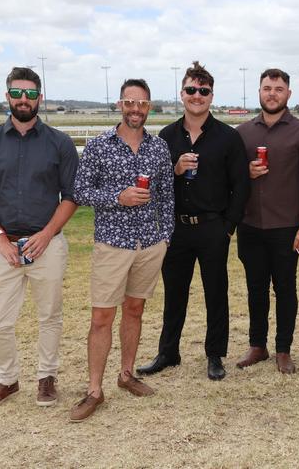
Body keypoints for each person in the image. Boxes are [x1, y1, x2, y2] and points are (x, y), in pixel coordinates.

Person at [0, 67, 78, 410]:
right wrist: (0, 239)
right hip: (2, 247)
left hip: (47, 244)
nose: (24, 100)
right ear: (8, 97)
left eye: (31, 94)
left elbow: (71, 196)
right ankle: (7, 380)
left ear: (39, 99)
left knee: (50, 315)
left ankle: (47, 377)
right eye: (17, 93)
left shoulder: (59, 143)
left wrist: (47, 235)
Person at [136, 62, 249, 381]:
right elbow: (152, 185)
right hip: (176, 228)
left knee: (216, 292)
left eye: (203, 91)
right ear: (181, 94)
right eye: (191, 90)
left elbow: (241, 186)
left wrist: (228, 227)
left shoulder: (228, 137)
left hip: (214, 226)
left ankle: (215, 355)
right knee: (174, 293)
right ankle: (168, 353)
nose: (196, 96)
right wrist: (174, 169)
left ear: (211, 96)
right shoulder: (166, 137)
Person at [70, 78, 174, 422]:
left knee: (134, 310)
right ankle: (94, 390)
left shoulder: (158, 148)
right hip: (112, 244)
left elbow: (166, 197)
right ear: (120, 105)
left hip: (149, 243)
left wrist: (166, 236)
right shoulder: (99, 145)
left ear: (149, 107)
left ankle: (127, 374)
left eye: (142, 103)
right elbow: (80, 192)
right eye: (130, 102)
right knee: (102, 317)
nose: (135, 109)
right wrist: (118, 197)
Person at [235, 68, 299, 374]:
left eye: (278, 88)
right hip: (250, 225)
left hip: (287, 226)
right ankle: (257, 345)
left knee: (285, 288)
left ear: (288, 94)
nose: (272, 93)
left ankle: (283, 349)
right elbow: (230, 178)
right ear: (259, 92)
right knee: (255, 287)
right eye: (267, 88)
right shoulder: (243, 133)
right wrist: (245, 172)